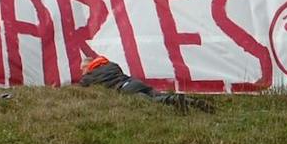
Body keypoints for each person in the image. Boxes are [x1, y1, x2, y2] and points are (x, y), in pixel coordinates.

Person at [78, 53, 206, 108]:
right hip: (135, 82)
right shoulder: (112, 65)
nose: (81, 72)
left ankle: (175, 100)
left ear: (87, 66)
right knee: (158, 94)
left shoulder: (88, 78)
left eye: (82, 69)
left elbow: (82, 90)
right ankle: (192, 102)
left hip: (126, 89)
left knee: (153, 101)